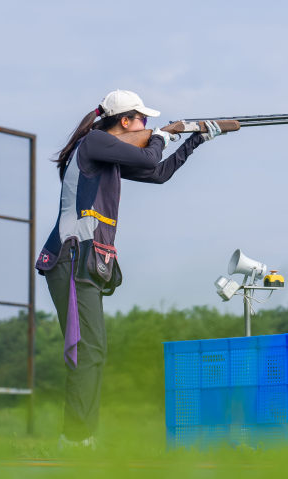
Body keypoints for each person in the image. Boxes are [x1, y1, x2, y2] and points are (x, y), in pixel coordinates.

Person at [35, 89, 223, 449]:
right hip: (73, 259)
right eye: (142, 121)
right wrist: (164, 135)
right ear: (125, 121)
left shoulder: (105, 155)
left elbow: (158, 171)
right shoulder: (94, 143)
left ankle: (78, 436)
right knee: (87, 349)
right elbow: (152, 155)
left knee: (93, 350)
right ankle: (75, 438)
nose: (146, 125)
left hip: (86, 263)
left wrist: (195, 140)